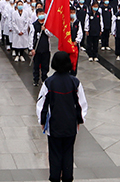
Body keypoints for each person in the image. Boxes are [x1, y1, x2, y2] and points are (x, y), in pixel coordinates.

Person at [36, 51, 88, 182]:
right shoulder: (75, 83)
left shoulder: (49, 83)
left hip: (54, 126)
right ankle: (67, 178)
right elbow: (81, 104)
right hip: (70, 126)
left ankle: (54, 177)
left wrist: (42, 121)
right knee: (68, 154)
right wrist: (79, 120)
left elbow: (41, 104)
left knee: (55, 154)